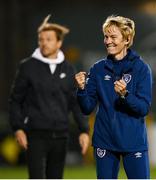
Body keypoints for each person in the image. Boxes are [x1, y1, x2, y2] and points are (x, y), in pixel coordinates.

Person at [9, 15, 89, 179]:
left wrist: (83, 130)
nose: (44, 42)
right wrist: (18, 128)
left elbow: (75, 102)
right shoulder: (27, 67)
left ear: (59, 43)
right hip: (35, 134)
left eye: (49, 39)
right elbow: (15, 100)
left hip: (61, 135)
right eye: (41, 39)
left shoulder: (68, 68)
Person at [75, 15, 152, 179]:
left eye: (113, 36)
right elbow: (87, 108)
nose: (108, 41)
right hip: (105, 142)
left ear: (127, 39)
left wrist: (125, 95)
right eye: (106, 36)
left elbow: (143, 108)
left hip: (133, 142)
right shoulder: (98, 69)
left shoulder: (141, 69)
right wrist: (82, 89)